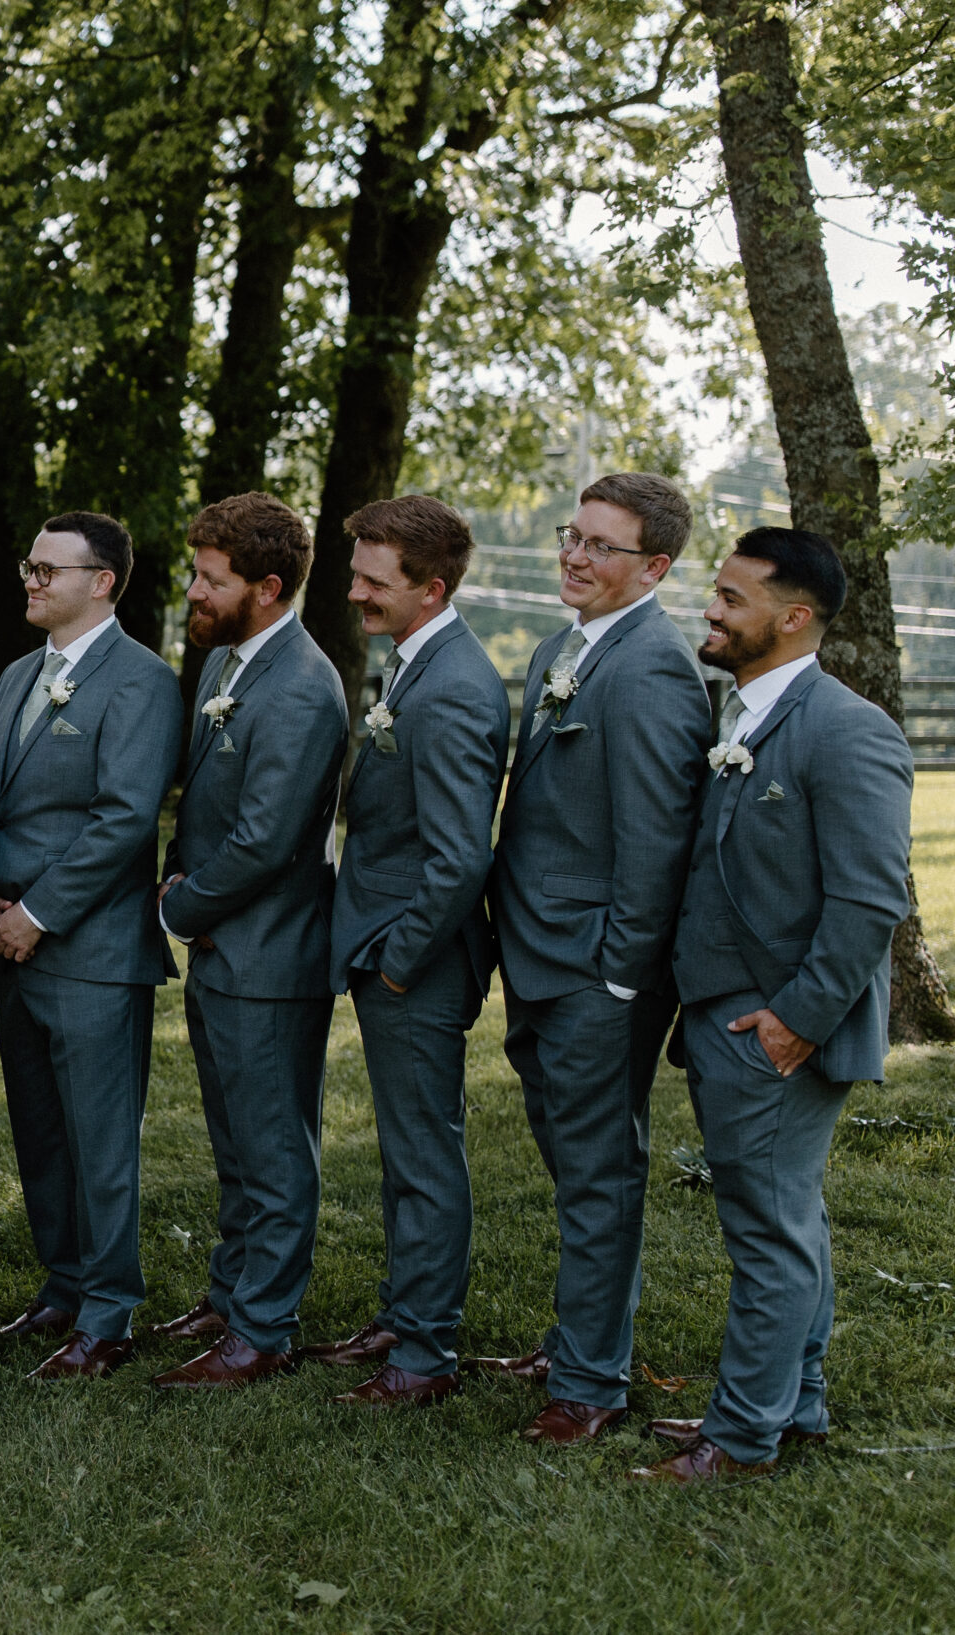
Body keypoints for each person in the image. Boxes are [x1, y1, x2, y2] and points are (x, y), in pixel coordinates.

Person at [633, 530, 911, 1483]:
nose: (711, 610)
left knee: (769, 1234)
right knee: (789, 1218)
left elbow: (873, 897)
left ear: (794, 618)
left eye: (732, 598)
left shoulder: (847, 727)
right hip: (727, 1017)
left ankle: (744, 1434)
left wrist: (797, 1019)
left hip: (775, 1030)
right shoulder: (741, 713)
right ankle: (797, 1406)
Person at [472, 474, 712, 1446]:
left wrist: (617, 978)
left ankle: (591, 1385)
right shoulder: (556, 650)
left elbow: (656, 842)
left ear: (653, 566)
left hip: (594, 975)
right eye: (572, 536)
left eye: (599, 546)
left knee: (601, 1170)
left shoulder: (653, 668)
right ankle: (579, 1335)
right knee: (574, 1165)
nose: (573, 556)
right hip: (537, 957)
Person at [0, 513, 182, 1381]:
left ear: (104, 582)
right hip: (8, 941)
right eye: (30, 564)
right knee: (41, 1131)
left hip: (91, 950)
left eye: (50, 569)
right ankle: (61, 1286)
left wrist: (40, 913)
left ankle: (109, 1311)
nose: (33, 580)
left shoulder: (143, 682)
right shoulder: (22, 675)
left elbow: (125, 818)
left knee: (100, 1140)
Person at [317, 498, 509, 1406]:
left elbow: (461, 852)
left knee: (425, 1153)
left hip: (419, 961)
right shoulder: (413, 663)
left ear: (431, 588)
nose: (355, 591)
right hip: (392, 945)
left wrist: (398, 959)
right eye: (355, 572)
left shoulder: (458, 684)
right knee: (404, 1147)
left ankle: (425, 1352)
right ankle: (404, 1310)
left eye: (372, 580)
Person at [155, 493, 347, 1390]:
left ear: (267, 588)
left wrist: (179, 905)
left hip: (270, 956)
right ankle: (231, 1294)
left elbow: (266, 840)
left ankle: (263, 1330)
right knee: (234, 1142)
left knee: (273, 1152)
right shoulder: (227, 667)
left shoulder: (303, 686)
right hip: (226, 952)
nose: (194, 590)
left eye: (211, 578)